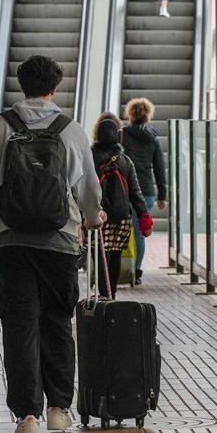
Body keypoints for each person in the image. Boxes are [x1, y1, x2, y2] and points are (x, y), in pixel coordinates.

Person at [0, 55, 104, 433]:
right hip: (60, 244)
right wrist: (93, 217)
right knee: (58, 323)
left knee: (19, 327)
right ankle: (59, 410)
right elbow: (88, 189)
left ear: (21, 84)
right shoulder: (71, 130)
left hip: (10, 244)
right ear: (54, 89)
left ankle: (26, 416)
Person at [92, 112, 151, 298]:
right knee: (115, 253)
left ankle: (103, 293)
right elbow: (135, 192)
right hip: (121, 216)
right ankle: (112, 294)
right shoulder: (125, 161)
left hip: (98, 215)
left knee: (100, 254)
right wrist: (144, 216)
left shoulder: (90, 157)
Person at [120, 98, 167, 284]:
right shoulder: (153, 140)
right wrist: (162, 195)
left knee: (122, 229)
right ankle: (136, 271)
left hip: (124, 189)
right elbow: (159, 169)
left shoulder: (122, 135)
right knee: (140, 232)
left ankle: (122, 269)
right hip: (146, 191)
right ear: (148, 115)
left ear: (130, 114)